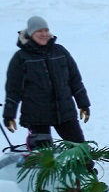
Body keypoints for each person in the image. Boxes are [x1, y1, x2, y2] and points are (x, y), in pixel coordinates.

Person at [4, 16, 90, 145]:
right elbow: (13, 89)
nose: (44, 34)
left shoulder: (60, 51)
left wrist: (83, 104)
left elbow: (74, 80)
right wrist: (9, 114)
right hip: (36, 115)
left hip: (64, 111)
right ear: (31, 33)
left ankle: (87, 166)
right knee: (43, 157)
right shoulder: (21, 58)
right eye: (39, 31)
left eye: (46, 30)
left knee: (79, 149)